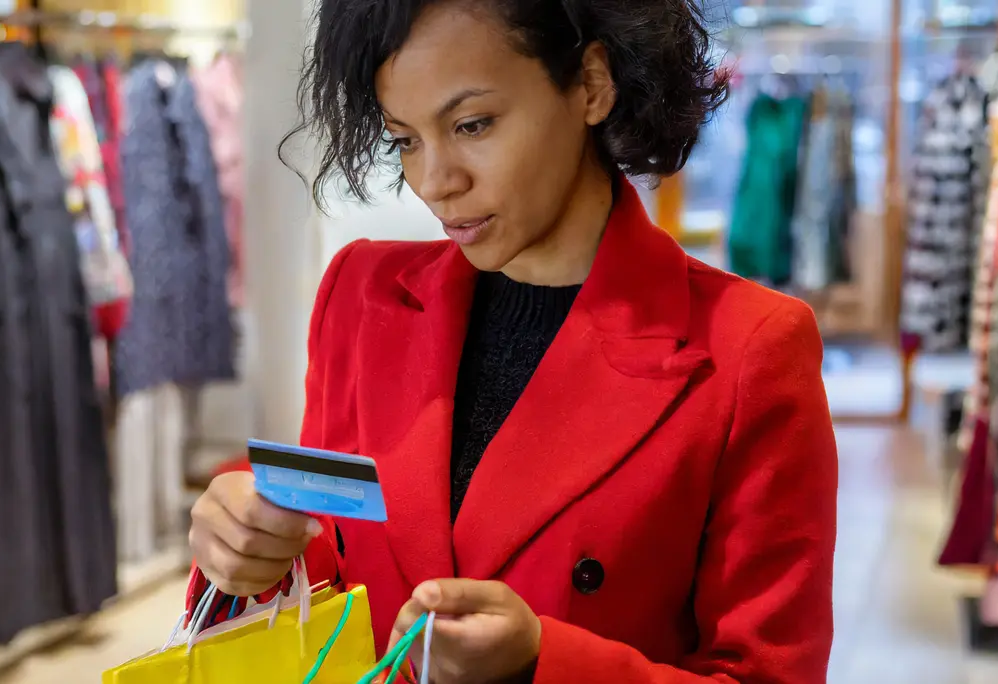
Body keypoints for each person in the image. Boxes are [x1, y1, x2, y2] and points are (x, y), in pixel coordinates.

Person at [186, 0, 838, 681]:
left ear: (590, 83)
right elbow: (331, 563)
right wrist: (246, 543)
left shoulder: (746, 348)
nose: (436, 183)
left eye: (472, 125)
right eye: (403, 139)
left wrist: (541, 662)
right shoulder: (361, 294)